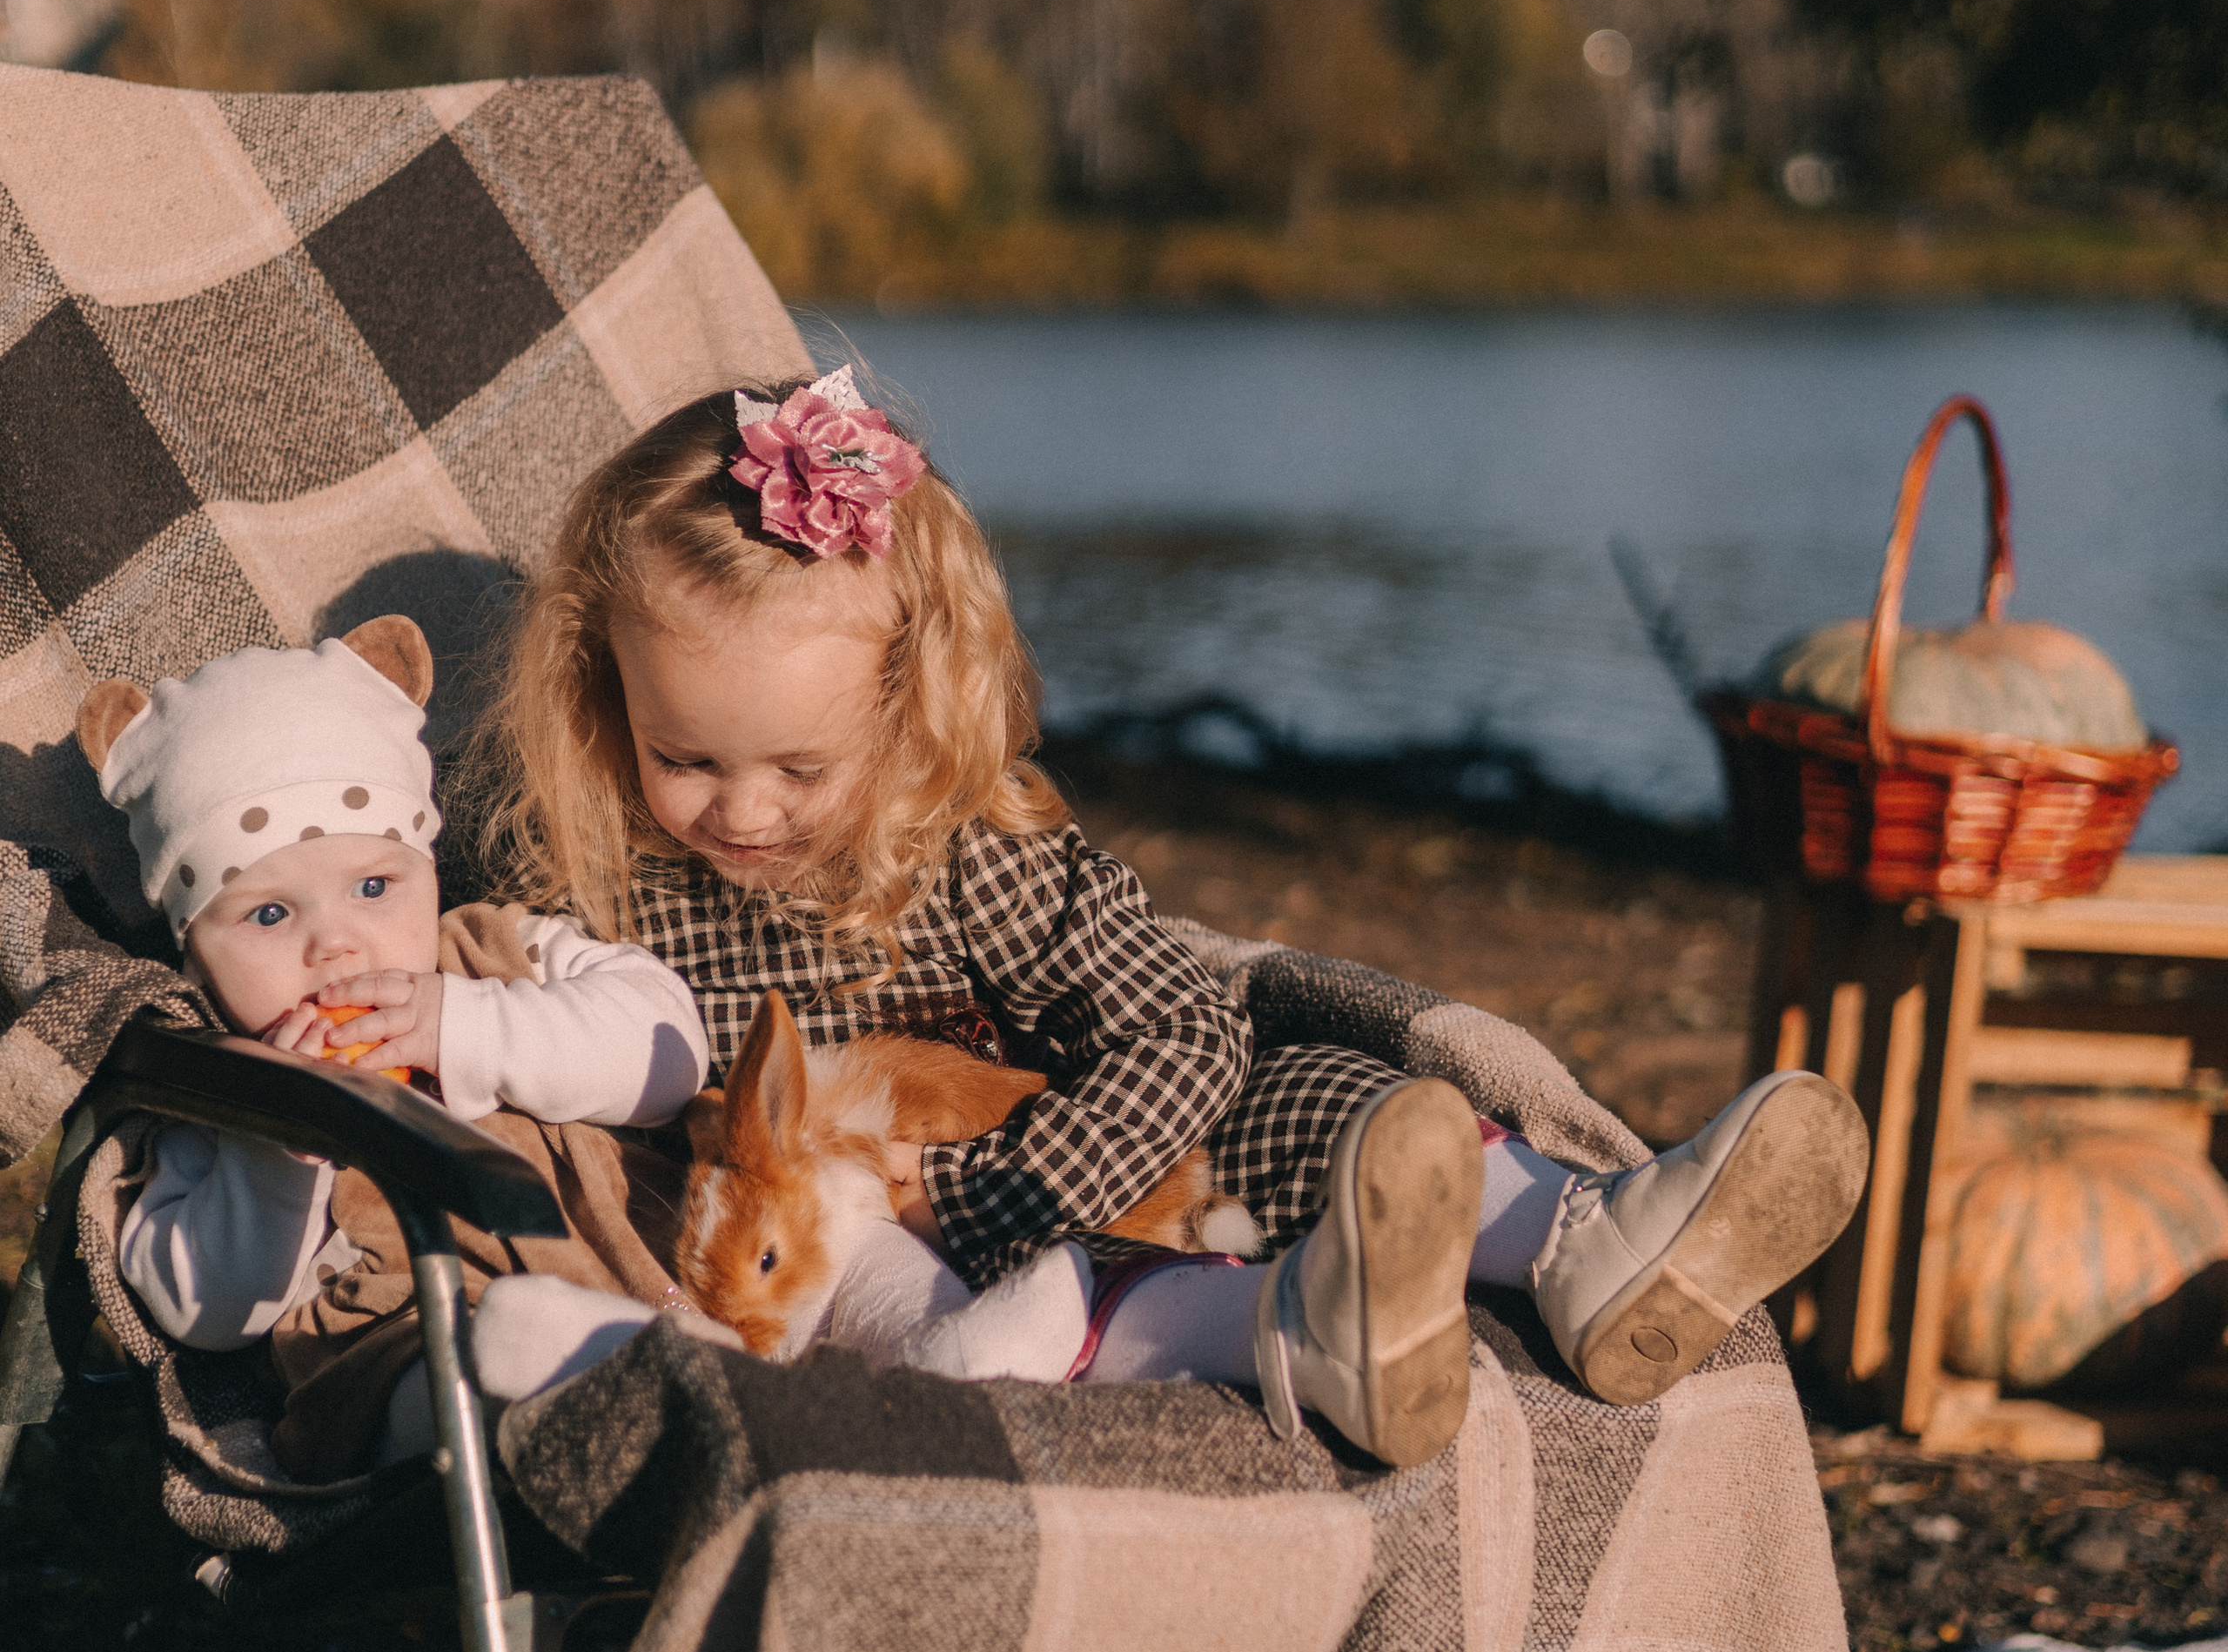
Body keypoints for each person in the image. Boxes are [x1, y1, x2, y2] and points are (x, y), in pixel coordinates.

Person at [463, 369, 1869, 1465]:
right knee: (1138, 1244)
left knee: (1323, 1094)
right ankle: (1335, 1327)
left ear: (899, 712)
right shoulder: (611, 897)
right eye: (686, 759)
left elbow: (1184, 1027)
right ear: (608, 703)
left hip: (1081, 1164)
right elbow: (528, 1023)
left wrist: (1001, 1185)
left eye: (798, 768)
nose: (743, 813)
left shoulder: (958, 851)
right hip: (915, 1285)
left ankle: (1585, 1245)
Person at [79, 617, 710, 1479]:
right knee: (459, 1376)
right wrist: (281, 1147)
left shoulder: (499, 953)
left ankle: (932, 1369)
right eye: (269, 914)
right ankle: (612, 1405)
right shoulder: (223, 1089)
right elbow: (203, 1309)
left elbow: (671, 1056)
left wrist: (471, 1024)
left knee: (847, 1246)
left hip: (667, 1274)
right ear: (193, 952)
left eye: (374, 887)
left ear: (429, 873)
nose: (336, 948)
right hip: (418, 1348)